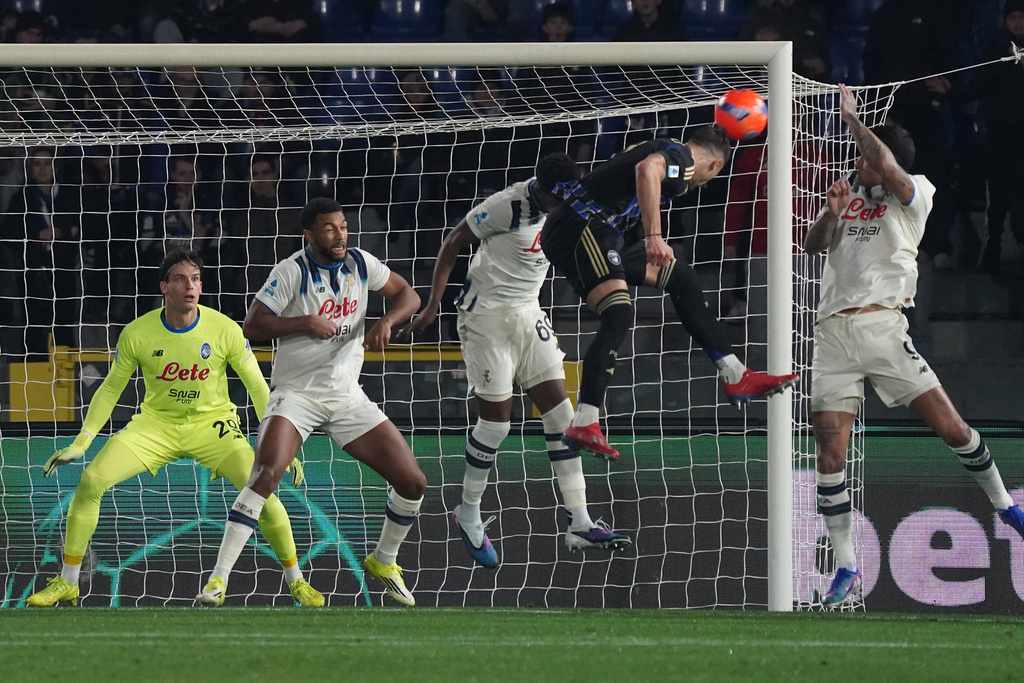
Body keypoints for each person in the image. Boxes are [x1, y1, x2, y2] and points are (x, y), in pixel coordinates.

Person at [802, 84, 1024, 607]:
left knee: (952, 428)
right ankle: (846, 566)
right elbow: (814, 248)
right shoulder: (849, 196)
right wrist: (832, 212)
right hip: (832, 333)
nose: (858, 163)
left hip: (884, 328)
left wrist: (855, 120)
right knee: (829, 452)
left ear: (885, 161)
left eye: (864, 156)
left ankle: (1004, 505)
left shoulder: (915, 191)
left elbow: (884, 159)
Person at [26, 248, 322, 608]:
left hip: (213, 426)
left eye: (196, 279)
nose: (190, 286)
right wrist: (83, 440)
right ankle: (68, 582)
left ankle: (296, 581)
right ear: (164, 287)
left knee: (263, 494)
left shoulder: (225, 329)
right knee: (91, 481)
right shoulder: (137, 333)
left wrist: (280, 443)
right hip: (156, 426)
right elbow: (110, 389)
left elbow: (259, 387)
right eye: (181, 279)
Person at [398, 154, 631, 568]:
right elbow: (454, 241)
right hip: (485, 317)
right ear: (542, 190)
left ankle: (579, 522)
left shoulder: (570, 204)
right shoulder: (508, 204)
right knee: (497, 424)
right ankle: (467, 510)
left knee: (564, 418)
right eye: (558, 200)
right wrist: (433, 304)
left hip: (528, 315)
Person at [197, 197, 426, 606]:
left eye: (342, 226)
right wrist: (305, 321)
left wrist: (387, 320)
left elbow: (409, 294)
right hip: (296, 395)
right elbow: (252, 326)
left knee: (413, 482)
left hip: (346, 397)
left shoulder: (360, 262)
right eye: (329, 228)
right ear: (309, 233)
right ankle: (217, 580)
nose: (340, 235)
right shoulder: (291, 272)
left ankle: (384, 560)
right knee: (265, 475)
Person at [540, 127, 799, 460]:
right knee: (618, 313)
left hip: (601, 231)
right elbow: (647, 169)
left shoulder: (670, 150)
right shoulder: (683, 158)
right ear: (714, 164)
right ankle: (585, 421)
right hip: (581, 227)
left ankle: (736, 374)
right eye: (709, 179)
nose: (701, 186)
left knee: (682, 277)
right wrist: (653, 236)